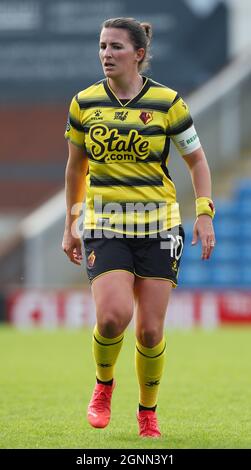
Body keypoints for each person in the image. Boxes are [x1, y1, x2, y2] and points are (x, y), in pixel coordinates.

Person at [62, 17, 215, 438]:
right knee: (113, 317)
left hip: (159, 225)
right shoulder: (84, 103)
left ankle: (147, 411)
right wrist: (71, 223)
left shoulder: (168, 103)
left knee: (149, 331)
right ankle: (104, 384)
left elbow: (197, 161)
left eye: (116, 47)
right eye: (102, 46)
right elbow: (76, 167)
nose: (106, 54)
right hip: (105, 223)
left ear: (139, 54)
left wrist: (204, 212)